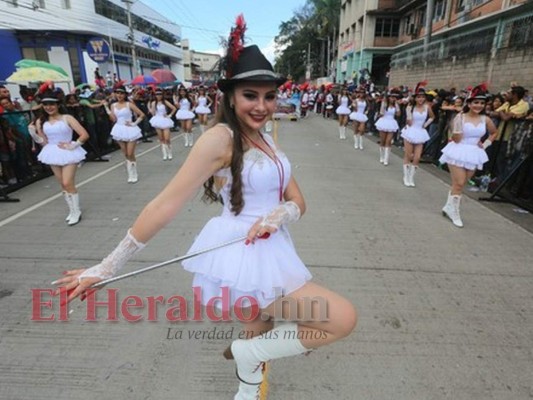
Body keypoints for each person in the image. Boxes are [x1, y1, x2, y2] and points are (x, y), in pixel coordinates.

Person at [52, 17, 357, 400]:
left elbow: (298, 200)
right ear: (230, 96)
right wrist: (108, 265)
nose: (261, 106)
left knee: (260, 329)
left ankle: (247, 385)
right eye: (251, 95)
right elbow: (165, 203)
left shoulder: (266, 140)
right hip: (239, 249)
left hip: (272, 245)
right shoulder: (220, 138)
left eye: (269, 96)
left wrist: (280, 215)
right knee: (340, 318)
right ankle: (246, 356)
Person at [439, 84, 498, 227]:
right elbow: (456, 139)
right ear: (469, 103)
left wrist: (485, 145)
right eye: (476, 102)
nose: (479, 105)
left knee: (461, 184)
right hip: (458, 150)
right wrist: (457, 128)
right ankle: (455, 212)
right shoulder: (460, 117)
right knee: (459, 183)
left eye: (482, 103)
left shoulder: (486, 119)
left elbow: (494, 133)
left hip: (474, 153)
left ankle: (448, 206)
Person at [33, 91, 89, 225]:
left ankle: (77, 211)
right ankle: (71, 210)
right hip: (52, 152)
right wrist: (34, 135)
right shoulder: (41, 121)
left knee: (67, 183)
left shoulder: (67, 118)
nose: (49, 107)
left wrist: (73, 145)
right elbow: (43, 141)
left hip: (68, 152)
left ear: (58, 105)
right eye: (45, 104)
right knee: (62, 185)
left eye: (51, 104)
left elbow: (84, 134)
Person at [104, 85, 145, 183]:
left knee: (130, 153)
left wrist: (134, 123)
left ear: (125, 94)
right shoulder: (113, 105)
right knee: (126, 153)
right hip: (119, 129)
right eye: (117, 93)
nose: (119, 95)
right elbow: (113, 119)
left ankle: (134, 173)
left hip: (130, 129)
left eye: (121, 93)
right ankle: (130, 174)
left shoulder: (129, 104)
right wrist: (106, 107)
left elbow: (142, 114)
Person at [400, 82, 435, 187]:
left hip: (420, 131)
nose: (421, 99)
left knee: (417, 157)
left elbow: (432, 117)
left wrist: (425, 125)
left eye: (422, 97)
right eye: (419, 97)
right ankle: (406, 176)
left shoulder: (427, 107)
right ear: (415, 98)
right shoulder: (410, 107)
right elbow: (408, 121)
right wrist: (409, 115)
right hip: (410, 130)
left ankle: (411, 177)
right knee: (408, 155)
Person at [149, 88, 177, 161]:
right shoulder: (153, 103)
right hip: (157, 120)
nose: (158, 96)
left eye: (160, 94)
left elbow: (174, 108)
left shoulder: (165, 102)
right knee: (161, 139)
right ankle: (164, 154)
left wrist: (169, 115)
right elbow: (153, 113)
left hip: (165, 120)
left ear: (162, 95)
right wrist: (150, 108)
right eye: (157, 94)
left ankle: (169, 153)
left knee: (167, 139)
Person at [374, 90, 401, 166]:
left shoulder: (396, 105)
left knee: (388, 141)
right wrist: (383, 105)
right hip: (384, 121)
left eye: (395, 97)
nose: (393, 99)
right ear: (389, 97)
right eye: (392, 97)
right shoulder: (384, 103)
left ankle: (386, 158)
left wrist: (396, 105)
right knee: (383, 140)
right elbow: (381, 113)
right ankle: (382, 156)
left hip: (391, 122)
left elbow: (398, 114)